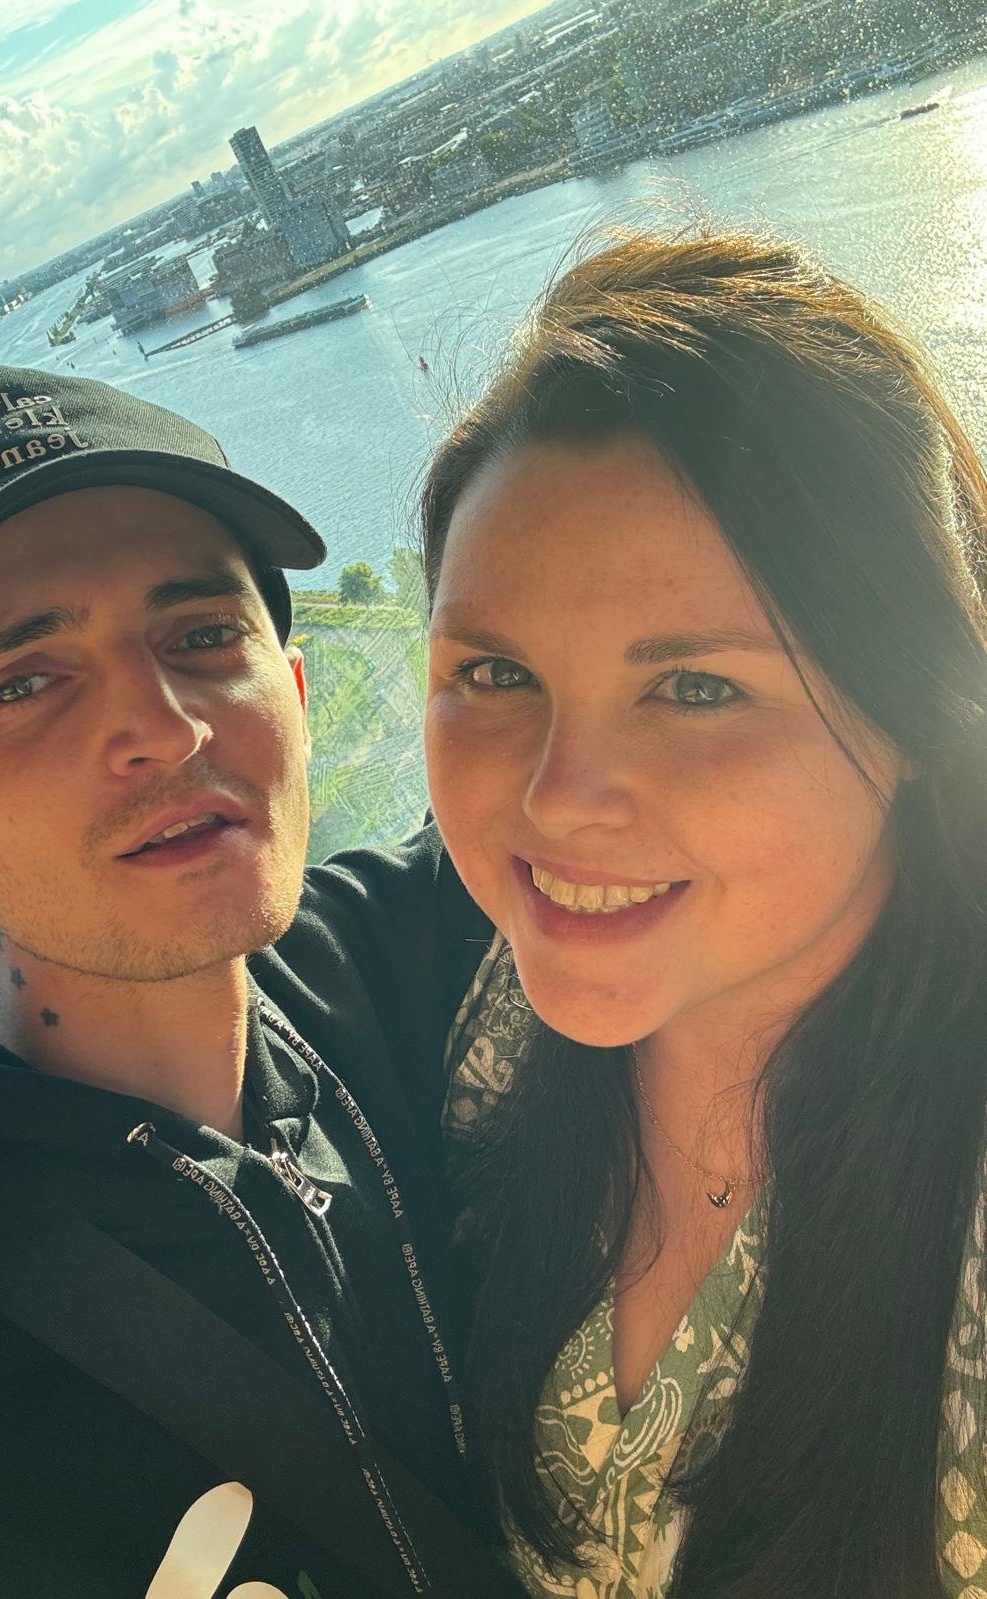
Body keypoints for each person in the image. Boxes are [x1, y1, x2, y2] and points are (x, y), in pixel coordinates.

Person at [0, 365, 519, 1599]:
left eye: (201, 638)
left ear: (289, 693)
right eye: (23, 685)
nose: (167, 730)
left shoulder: (422, 964)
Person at [418, 231, 987, 1598]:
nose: (558, 802)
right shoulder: (509, 1018)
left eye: (697, 688)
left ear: (912, 709)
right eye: (495, 670)